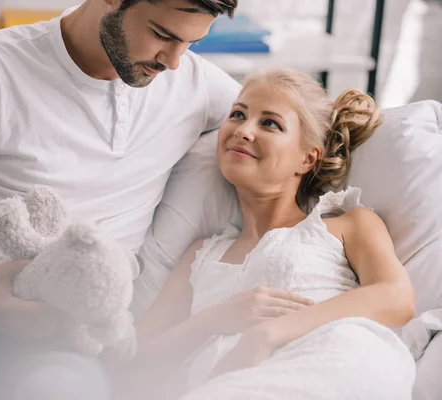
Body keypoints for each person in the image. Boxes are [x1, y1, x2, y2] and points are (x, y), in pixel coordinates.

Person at [0, 0, 276, 398]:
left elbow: (303, 133)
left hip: (62, 343)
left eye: (192, 42)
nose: (175, 61)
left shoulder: (201, 89)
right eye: (163, 35)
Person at [114, 68, 416, 399]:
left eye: (269, 123)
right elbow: (134, 361)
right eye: (238, 114)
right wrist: (213, 320)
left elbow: (396, 298)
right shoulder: (201, 256)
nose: (243, 130)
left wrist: (267, 334)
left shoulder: (345, 225)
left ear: (306, 158)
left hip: (335, 361)